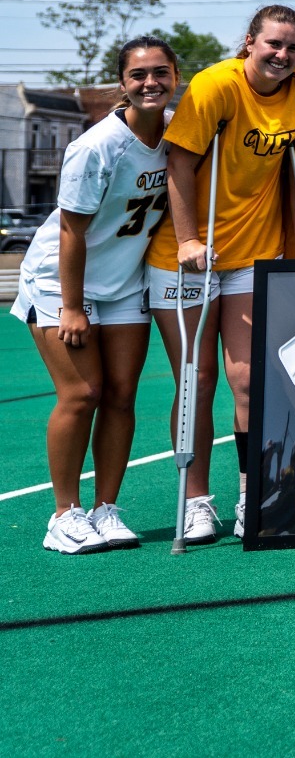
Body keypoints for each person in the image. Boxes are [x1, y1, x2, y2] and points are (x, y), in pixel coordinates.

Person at [145, 3, 295, 544]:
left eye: (293, 47)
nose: (283, 55)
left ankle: (253, 493)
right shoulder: (213, 86)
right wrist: (188, 239)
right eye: (274, 44)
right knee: (196, 380)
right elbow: (179, 162)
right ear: (249, 41)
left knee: (246, 378)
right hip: (187, 254)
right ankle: (198, 499)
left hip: (253, 253)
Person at [11, 37, 178, 553]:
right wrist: (72, 305)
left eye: (160, 72)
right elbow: (70, 233)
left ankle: (107, 509)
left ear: (175, 76)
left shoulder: (179, 135)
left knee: (122, 396)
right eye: (138, 74)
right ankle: (64, 514)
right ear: (122, 83)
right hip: (64, 281)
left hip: (125, 280)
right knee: (82, 394)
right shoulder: (98, 145)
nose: (150, 82)